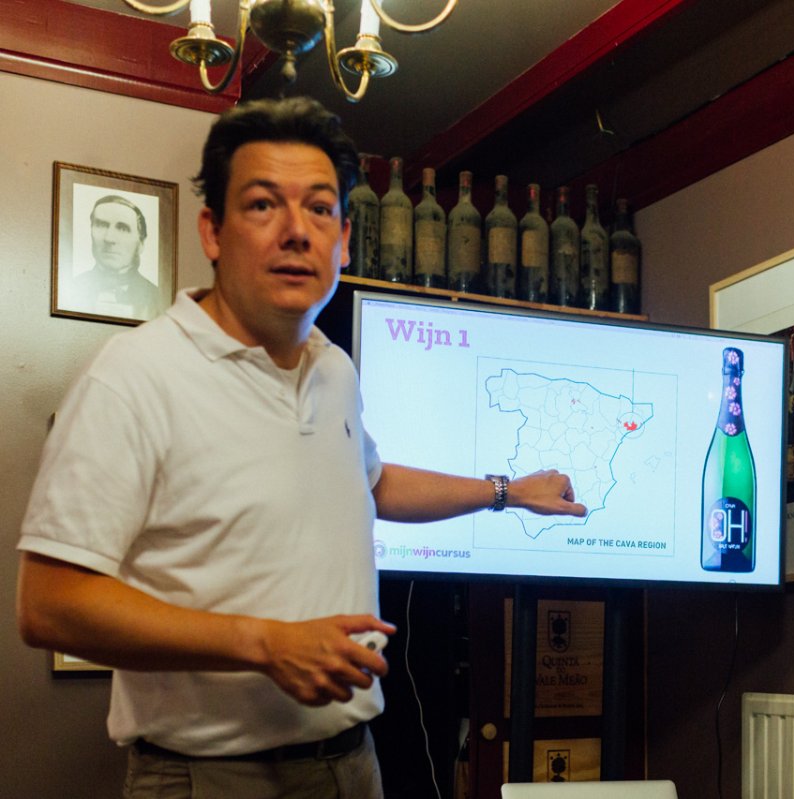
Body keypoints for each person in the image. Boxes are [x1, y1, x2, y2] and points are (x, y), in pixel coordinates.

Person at [16, 96, 586, 798]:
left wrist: (507, 492)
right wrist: (263, 643)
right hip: (210, 777)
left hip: (351, 764)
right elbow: (49, 604)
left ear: (343, 240)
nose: (295, 231)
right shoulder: (135, 376)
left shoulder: (332, 366)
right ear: (212, 231)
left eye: (319, 209)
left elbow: (370, 482)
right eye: (262, 205)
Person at [65, 194, 163, 320]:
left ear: (141, 243)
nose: (109, 238)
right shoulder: (71, 289)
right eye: (101, 225)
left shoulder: (158, 298)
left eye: (122, 228)